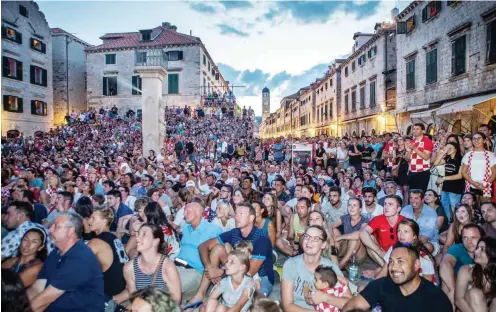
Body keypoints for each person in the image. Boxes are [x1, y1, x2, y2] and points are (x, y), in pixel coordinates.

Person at [188, 202, 273, 306]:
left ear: (251, 218)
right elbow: (203, 246)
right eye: (236, 213)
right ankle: (200, 294)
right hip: (235, 269)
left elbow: (250, 271)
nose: (236, 216)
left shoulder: (261, 238)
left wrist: (221, 272)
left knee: (256, 304)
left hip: (261, 277)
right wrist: (209, 267)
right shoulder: (235, 232)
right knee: (217, 248)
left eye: (241, 214)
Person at [27, 212, 104, 311]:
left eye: (56, 226)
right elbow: (37, 288)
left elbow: (41, 302)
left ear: (70, 231)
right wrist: (18, 304)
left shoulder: (80, 259)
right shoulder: (56, 252)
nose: (50, 230)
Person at [342, 244, 452, 312]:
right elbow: (351, 307)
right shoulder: (382, 285)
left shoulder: (436, 299)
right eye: (391, 261)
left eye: (400, 261)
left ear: (416, 265)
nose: (393, 267)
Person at [281, 225, 350, 311]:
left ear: (323, 245)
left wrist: (325, 298)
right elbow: (287, 305)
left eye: (315, 239)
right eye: (307, 236)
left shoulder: (330, 268)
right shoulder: (291, 264)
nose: (309, 241)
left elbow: (350, 303)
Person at [115, 223, 182, 305]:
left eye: (144, 234)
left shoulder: (167, 267)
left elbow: (176, 300)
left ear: (155, 242)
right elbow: (134, 298)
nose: (137, 238)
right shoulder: (129, 268)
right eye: (138, 234)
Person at [362, 219, 436, 284]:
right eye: (399, 231)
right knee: (363, 289)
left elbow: (427, 285)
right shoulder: (393, 249)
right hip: (398, 284)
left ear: (414, 236)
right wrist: (372, 287)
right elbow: (383, 272)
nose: (401, 235)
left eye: (405, 232)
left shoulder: (423, 257)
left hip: (418, 290)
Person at [175, 200, 222, 302]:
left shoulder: (213, 230)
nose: (184, 214)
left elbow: (220, 253)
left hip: (193, 271)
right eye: (184, 211)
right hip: (175, 266)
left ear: (197, 212)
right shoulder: (186, 227)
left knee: (169, 287)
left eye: (187, 211)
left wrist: (213, 270)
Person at [87, 208, 129, 298]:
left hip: (107, 293)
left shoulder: (95, 242)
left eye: (93, 218)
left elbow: (77, 265)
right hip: (121, 289)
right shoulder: (115, 238)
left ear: (104, 220)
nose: (89, 221)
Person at [440, 224, 484, 305]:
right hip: (459, 289)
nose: (469, 242)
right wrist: (452, 289)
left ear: (482, 238)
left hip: (479, 291)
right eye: (465, 237)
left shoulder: (487, 251)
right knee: (445, 283)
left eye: (473, 237)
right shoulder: (458, 248)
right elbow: (445, 263)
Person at [359, 195, 406, 266]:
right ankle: (385, 268)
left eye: (390, 204)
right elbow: (363, 233)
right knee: (369, 240)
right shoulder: (378, 219)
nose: (386, 207)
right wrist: (380, 251)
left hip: (398, 253)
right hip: (382, 253)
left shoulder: (405, 221)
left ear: (398, 209)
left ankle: (387, 269)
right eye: (385, 204)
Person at [454, 237, 496, 312]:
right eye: (477, 248)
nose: (476, 251)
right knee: (475, 293)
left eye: (482, 249)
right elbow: (458, 300)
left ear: (492, 253)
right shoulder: (466, 270)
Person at [331, 197, 369, 269]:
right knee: (334, 230)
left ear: (360, 209)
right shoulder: (345, 217)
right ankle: (336, 255)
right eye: (349, 205)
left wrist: (339, 237)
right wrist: (334, 241)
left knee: (355, 238)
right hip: (346, 249)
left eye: (354, 205)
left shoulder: (365, 220)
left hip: (358, 254)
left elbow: (360, 234)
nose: (351, 207)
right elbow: (330, 226)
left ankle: (343, 263)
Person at [400, 189, 440, 255]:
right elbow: (401, 228)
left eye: (416, 198)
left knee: (427, 247)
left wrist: (409, 246)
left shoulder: (431, 213)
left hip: (428, 241)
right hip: (407, 240)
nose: (413, 201)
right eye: (411, 198)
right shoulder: (405, 210)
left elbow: (425, 238)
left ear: (422, 200)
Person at [461, 132, 496, 200]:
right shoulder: (468, 155)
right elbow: (463, 172)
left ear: (484, 140)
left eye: (479, 138)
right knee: (472, 208)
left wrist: (485, 184)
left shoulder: (491, 155)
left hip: (486, 187)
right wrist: (475, 184)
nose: (476, 141)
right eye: (474, 139)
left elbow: (494, 172)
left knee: (486, 207)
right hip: (471, 185)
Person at [405, 123, 433, 192]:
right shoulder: (411, 142)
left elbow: (426, 157)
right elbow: (406, 159)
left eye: (417, 129)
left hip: (422, 172)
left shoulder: (427, 141)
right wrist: (408, 151)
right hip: (412, 172)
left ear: (423, 131)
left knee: (421, 194)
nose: (415, 130)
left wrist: (414, 148)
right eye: (414, 129)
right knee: (412, 193)